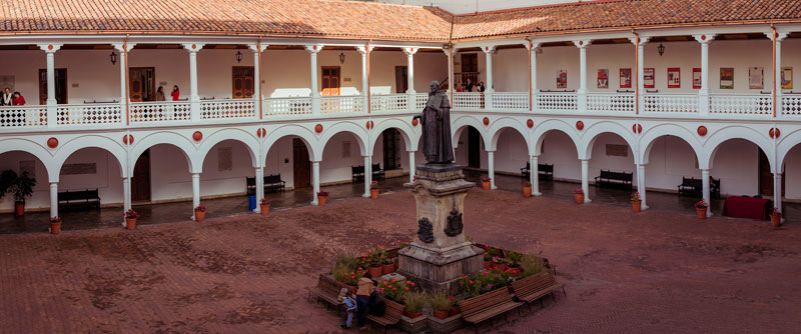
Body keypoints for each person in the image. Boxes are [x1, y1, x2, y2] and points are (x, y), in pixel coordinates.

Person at [414, 81, 453, 164]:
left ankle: (440, 158)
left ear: (438, 87)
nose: (431, 88)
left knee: (437, 142)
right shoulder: (430, 96)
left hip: (437, 124)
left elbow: (446, 112)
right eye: (431, 86)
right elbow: (426, 110)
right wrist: (420, 115)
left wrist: (437, 110)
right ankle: (431, 158)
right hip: (429, 122)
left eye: (433, 86)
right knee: (429, 141)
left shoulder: (443, 96)